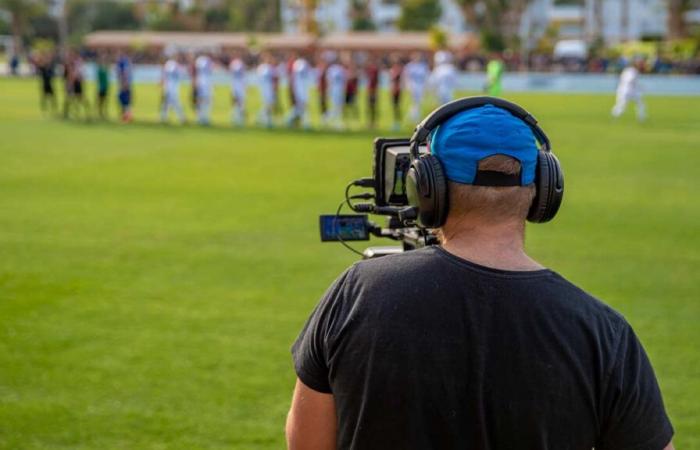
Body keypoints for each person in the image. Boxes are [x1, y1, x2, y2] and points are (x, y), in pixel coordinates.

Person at [287, 100, 674, 450]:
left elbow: (306, 443)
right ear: (543, 190)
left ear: (426, 188)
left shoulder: (356, 293)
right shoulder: (603, 333)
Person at [286, 54, 312, 129]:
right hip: (300, 88)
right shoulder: (299, 63)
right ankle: (304, 123)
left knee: (302, 107)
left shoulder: (301, 63)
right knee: (303, 106)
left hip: (303, 88)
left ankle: (292, 120)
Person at [404, 52, 430, 123]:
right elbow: (406, 76)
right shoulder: (409, 66)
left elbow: (426, 77)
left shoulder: (423, 66)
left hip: (420, 85)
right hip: (413, 85)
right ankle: (414, 115)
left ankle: (414, 115)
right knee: (415, 101)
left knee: (418, 101)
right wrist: (407, 86)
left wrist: (426, 86)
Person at [160, 54, 186, 124]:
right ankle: (181, 117)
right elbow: (178, 74)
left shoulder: (169, 64)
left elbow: (164, 74)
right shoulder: (172, 64)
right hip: (172, 86)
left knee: (167, 102)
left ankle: (164, 117)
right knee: (173, 102)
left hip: (170, 85)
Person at [325, 57, 347, 130]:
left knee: (338, 107)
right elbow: (329, 81)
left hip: (339, 90)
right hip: (335, 90)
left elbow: (344, 81)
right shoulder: (332, 69)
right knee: (335, 107)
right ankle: (330, 119)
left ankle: (334, 121)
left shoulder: (340, 69)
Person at [257, 53, 277, 127]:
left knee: (269, 105)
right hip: (264, 88)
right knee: (267, 104)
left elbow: (274, 79)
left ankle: (263, 118)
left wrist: (274, 87)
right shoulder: (262, 67)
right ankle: (267, 120)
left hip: (269, 88)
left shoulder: (271, 68)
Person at [194, 53, 214, 125]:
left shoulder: (200, 61)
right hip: (204, 84)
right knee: (205, 101)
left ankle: (201, 118)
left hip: (202, 83)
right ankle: (203, 118)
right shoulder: (205, 61)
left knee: (202, 101)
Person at [229, 54, 247, 125]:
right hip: (236, 84)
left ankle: (238, 116)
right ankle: (236, 116)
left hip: (239, 83)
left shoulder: (237, 63)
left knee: (240, 101)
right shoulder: (236, 63)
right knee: (237, 101)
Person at [116, 51, 133, 123]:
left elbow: (124, 74)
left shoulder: (123, 63)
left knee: (125, 101)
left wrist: (124, 84)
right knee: (125, 101)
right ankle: (126, 116)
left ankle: (126, 117)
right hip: (124, 84)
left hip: (124, 85)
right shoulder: (125, 63)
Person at [364, 56, 380, 129]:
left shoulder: (374, 70)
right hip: (371, 90)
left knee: (372, 107)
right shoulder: (370, 70)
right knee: (370, 107)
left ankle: (373, 122)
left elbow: (375, 80)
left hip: (373, 91)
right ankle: (371, 122)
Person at [389, 54, 404, 131]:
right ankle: (396, 122)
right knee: (395, 106)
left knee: (396, 107)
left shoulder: (398, 71)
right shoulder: (393, 70)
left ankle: (397, 122)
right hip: (393, 90)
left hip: (397, 90)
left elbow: (397, 81)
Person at [95, 53, 110, 120]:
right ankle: (100, 113)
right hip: (101, 87)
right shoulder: (99, 69)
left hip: (105, 86)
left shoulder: (105, 68)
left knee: (105, 100)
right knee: (100, 101)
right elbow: (98, 79)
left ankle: (104, 113)